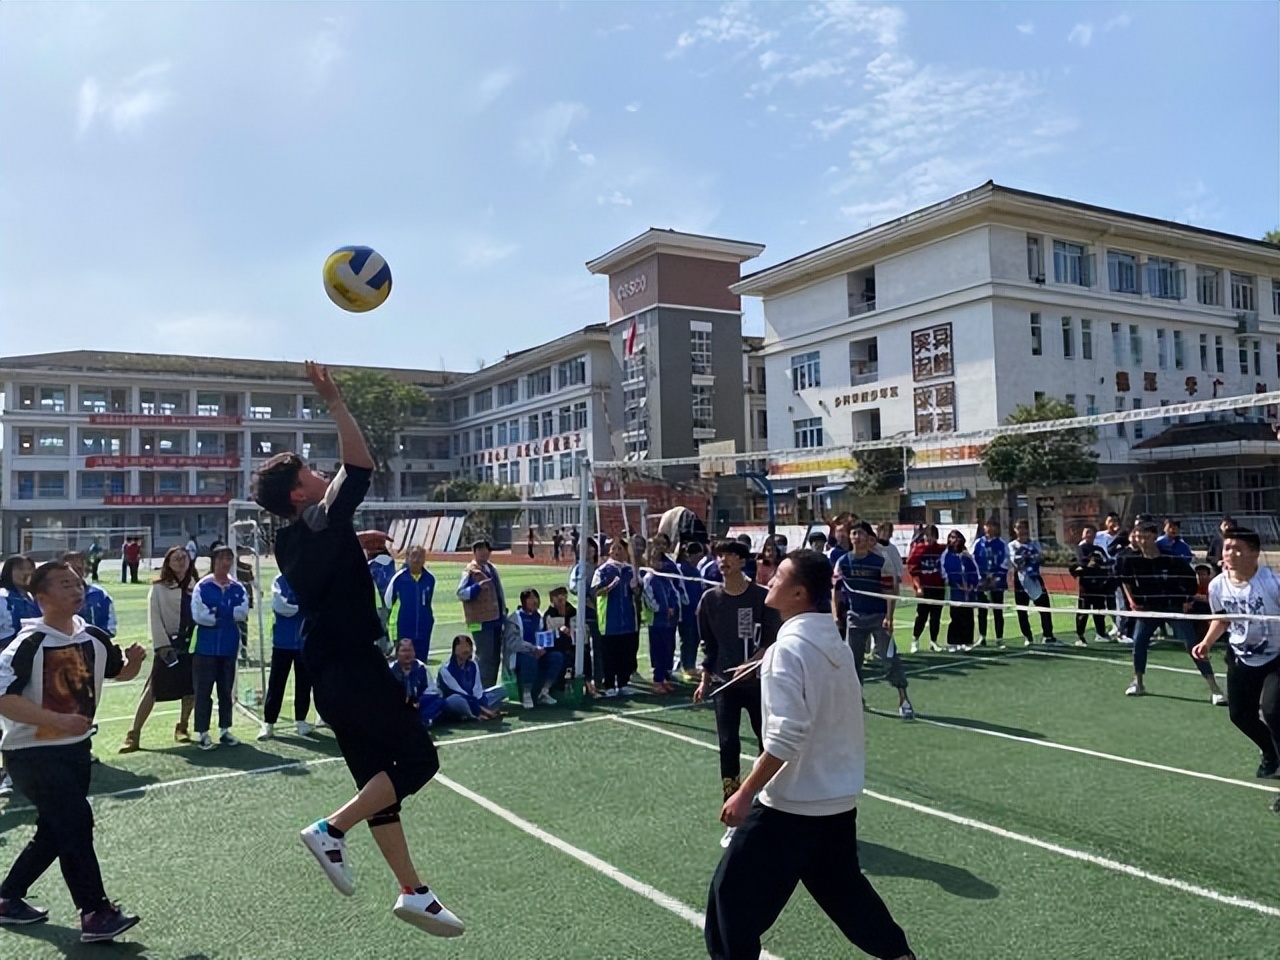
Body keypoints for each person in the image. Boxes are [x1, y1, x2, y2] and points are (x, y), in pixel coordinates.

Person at [251, 361, 462, 937]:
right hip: (353, 665)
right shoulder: (320, 520)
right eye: (311, 471)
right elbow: (360, 465)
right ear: (299, 492)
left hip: (329, 672)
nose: (322, 473)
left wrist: (353, 541)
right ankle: (331, 830)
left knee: (379, 784)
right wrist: (335, 401)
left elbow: (326, 554)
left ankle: (413, 891)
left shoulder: (293, 538)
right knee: (418, 761)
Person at [705, 550, 916, 960]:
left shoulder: (788, 650)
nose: (769, 578)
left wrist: (745, 792)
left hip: (790, 808)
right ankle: (899, 955)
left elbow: (786, 736)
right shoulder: (833, 643)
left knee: (729, 901)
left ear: (799, 593)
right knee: (847, 894)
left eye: (780, 575)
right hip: (836, 802)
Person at [0, 560, 146, 942]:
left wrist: (132, 663)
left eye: (77, 583)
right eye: (64, 584)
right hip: (30, 753)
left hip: (76, 750)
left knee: (55, 830)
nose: (76, 590)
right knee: (77, 821)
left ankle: (7, 898)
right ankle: (95, 912)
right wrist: (57, 720)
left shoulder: (93, 635)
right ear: (41, 597)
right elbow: (3, 698)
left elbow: (118, 672)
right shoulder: (28, 644)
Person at [693, 541, 781, 847]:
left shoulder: (761, 597)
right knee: (728, 745)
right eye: (720, 555)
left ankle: (768, 805)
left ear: (743, 561)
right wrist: (705, 680)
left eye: (730, 555)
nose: (723, 560)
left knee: (767, 743)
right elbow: (709, 646)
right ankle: (733, 812)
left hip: (758, 685)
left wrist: (752, 663)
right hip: (724, 686)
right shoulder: (710, 600)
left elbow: (772, 641)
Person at [1192, 527, 1280, 801]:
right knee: (1240, 715)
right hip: (1241, 656)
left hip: (1277, 657)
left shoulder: (1272, 584)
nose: (1230, 553)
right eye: (1227, 547)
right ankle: (1271, 752)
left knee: (1274, 712)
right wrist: (1206, 643)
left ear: (1254, 553)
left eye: (1237, 548)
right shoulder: (1217, 585)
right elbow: (1222, 618)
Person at [1116, 521, 1224, 703]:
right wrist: (1133, 601)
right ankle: (1138, 682)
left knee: (1192, 644)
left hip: (1173, 607)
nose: (1141, 541)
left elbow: (1190, 578)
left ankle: (1214, 688)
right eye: (1138, 537)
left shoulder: (1171, 558)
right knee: (1139, 643)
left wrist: (1187, 600)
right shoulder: (1131, 559)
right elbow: (1124, 579)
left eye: (1145, 537)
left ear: (1154, 537)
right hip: (1149, 609)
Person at [119, 546, 196, 753]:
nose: (180, 561)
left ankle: (183, 727)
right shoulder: (159, 588)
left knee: (191, 689)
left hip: (192, 644)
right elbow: (154, 618)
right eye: (175, 558)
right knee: (153, 689)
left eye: (183, 557)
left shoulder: (195, 585)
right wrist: (162, 646)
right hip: (168, 645)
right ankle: (133, 734)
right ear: (168, 563)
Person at [834, 522, 913, 719]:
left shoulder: (880, 561)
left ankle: (903, 699)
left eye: (860, 533)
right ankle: (856, 697)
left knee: (889, 658)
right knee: (853, 662)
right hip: (855, 617)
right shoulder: (843, 562)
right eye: (853, 533)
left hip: (879, 617)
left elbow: (889, 591)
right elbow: (836, 590)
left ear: (869, 538)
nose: (857, 537)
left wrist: (889, 617)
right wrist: (836, 616)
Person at [189, 546, 248, 750]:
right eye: (221, 558)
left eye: (229, 558)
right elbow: (200, 616)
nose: (225, 562)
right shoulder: (203, 586)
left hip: (228, 647)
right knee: (203, 691)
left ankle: (225, 730)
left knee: (226, 690)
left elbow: (242, 612)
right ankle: (203, 733)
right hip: (205, 648)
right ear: (213, 560)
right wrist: (226, 613)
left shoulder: (237, 587)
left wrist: (217, 612)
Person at [258, 573, 314, 741]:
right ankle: (269, 722)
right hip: (282, 642)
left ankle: (301, 720)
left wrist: (301, 607)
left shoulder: (308, 579)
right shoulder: (279, 581)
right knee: (276, 683)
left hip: (304, 642)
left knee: (304, 683)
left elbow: (315, 604)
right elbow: (281, 606)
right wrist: (302, 607)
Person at [591, 538, 641, 697]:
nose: (617, 552)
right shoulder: (603, 570)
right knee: (610, 654)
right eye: (614, 548)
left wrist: (636, 588)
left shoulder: (630, 570)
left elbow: (638, 595)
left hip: (628, 620)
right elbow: (595, 592)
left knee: (626, 653)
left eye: (620, 548)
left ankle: (623, 683)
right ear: (609, 551)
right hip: (609, 620)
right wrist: (610, 587)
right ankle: (609, 684)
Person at [456, 540, 507, 690]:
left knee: (495, 656)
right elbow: (461, 593)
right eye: (480, 550)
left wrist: (503, 611)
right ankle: (480, 689)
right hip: (479, 621)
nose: (484, 553)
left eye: (486, 550)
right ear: (474, 552)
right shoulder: (470, 571)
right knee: (484, 656)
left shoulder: (491, 568)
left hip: (495, 618)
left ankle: (490, 688)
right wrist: (477, 588)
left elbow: (499, 592)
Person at [505, 589, 564, 709]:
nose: (535, 601)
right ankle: (526, 693)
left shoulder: (541, 617)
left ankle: (544, 691)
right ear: (524, 601)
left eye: (536, 598)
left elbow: (546, 636)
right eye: (531, 598)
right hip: (521, 654)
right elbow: (513, 643)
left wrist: (545, 647)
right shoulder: (514, 618)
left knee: (557, 657)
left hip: (539, 652)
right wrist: (532, 649)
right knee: (528, 659)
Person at [643, 541, 683, 694]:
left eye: (660, 560)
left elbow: (674, 593)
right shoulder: (649, 578)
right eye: (655, 560)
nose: (658, 563)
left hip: (669, 622)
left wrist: (673, 606)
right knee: (658, 651)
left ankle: (665, 677)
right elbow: (649, 599)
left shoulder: (665, 577)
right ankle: (657, 680)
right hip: (657, 621)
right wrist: (662, 609)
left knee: (668, 649)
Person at [1011, 520, 1059, 645]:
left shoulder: (1035, 544)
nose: (1022, 531)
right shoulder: (1012, 545)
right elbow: (1016, 562)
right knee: (1022, 609)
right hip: (1020, 579)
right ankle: (1028, 637)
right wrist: (1026, 557)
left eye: (1024, 528)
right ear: (1015, 530)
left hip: (1035, 578)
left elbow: (1041, 558)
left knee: (1044, 607)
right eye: (1019, 528)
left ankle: (1048, 636)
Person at [385, 546, 436, 663]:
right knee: (404, 662)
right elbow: (388, 602)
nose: (417, 559)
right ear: (407, 557)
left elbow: (427, 602)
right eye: (414, 556)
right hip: (404, 627)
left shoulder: (430, 579)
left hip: (424, 628)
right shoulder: (399, 578)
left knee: (421, 662)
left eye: (420, 556)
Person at [437, 634, 504, 721]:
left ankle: (475, 711)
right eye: (462, 646)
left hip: (474, 700)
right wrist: (479, 707)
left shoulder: (473, 665)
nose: (466, 649)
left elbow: (477, 689)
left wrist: (479, 701)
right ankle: (475, 715)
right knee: (455, 700)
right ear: (455, 649)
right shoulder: (445, 670)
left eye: (468, 646)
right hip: (458, 700)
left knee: (502, 690)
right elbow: (458, 691)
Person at [569, 537, 604, 697]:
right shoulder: (579, 568)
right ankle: (586, 681)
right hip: (586, 615)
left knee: (599, 649)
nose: (589, 551)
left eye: (591, 548)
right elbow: (574, 587)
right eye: (585, 548)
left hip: (599, 614)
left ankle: (599, 680)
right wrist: (587, 600)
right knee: (584, 650)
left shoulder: (598, 567)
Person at [905, 525, 946, 654]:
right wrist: (918, 587)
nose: (929, 538)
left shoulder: (941, 549)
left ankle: (933, 641)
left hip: (938, 588)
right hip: (925, 588)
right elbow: (913, 570)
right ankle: (915, 640)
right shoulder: (918, 550)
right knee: (921, 616)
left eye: (932, 536)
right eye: (927, 535)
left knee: (936, 616)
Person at [1072, 525, 1114, 647]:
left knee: (1099, 610)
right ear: (1083, 534)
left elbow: (1105, 561)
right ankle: (1080, 637)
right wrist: (1091, 565)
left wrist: (1100, 566)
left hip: (1099, 585)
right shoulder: (1080, 548)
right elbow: (1082, 563)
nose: (1089, 535)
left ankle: (1101, 633)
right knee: (1083, 611)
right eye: (1087, 532)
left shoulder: (1098, 549)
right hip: (1086, 586)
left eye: (1091, 532)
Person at [390, 639, 444, 728]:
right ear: (397, 654)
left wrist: (419, 702)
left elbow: (432, 690)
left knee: (440, 700)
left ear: (414, 653)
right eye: (403, 651)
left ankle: (422, 720)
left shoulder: (421, 668)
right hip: (398, 705)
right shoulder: (390, 670)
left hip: (419, 704)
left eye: (409, 650)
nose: (407, 654)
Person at [940, 530, 980, 651]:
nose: (955, 540)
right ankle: (954, 642)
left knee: (968, 616)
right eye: (952, 537)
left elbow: (975, 571)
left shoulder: (967, 555)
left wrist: (972, 585)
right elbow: (945, 571)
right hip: (955, 591)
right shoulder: (946, 555)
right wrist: (957, 584)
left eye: (957, 537)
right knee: (956, 616)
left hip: (969, 592)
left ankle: (967, 641)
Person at [63, 553, 117, 637]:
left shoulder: (99, 594)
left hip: (96, 641)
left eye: (79, 569)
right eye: (71, 570)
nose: (75, 574)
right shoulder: (53, 596)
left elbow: (109, 627)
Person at [677, 542, 708, 683]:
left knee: (695, 638)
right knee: (687, 638)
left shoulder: (695, 570)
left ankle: (691, 665)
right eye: (698, 556)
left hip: (696, 610)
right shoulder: (681, 569)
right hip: (686, 611)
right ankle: (687, 667)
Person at [543, 586, 584, 693]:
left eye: (563, 598)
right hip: (556, 647)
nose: (561, 601)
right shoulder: (550, 614)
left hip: (573, 645)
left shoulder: (572, 611)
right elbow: (549, 633)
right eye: (558, 598)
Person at [368, 545, 397, 657]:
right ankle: (389, 645)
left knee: (380, 624)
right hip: (392, 596)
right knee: (388, 623)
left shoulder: (371, 564)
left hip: (379, 599)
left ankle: (384, 648)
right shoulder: (390, 561)